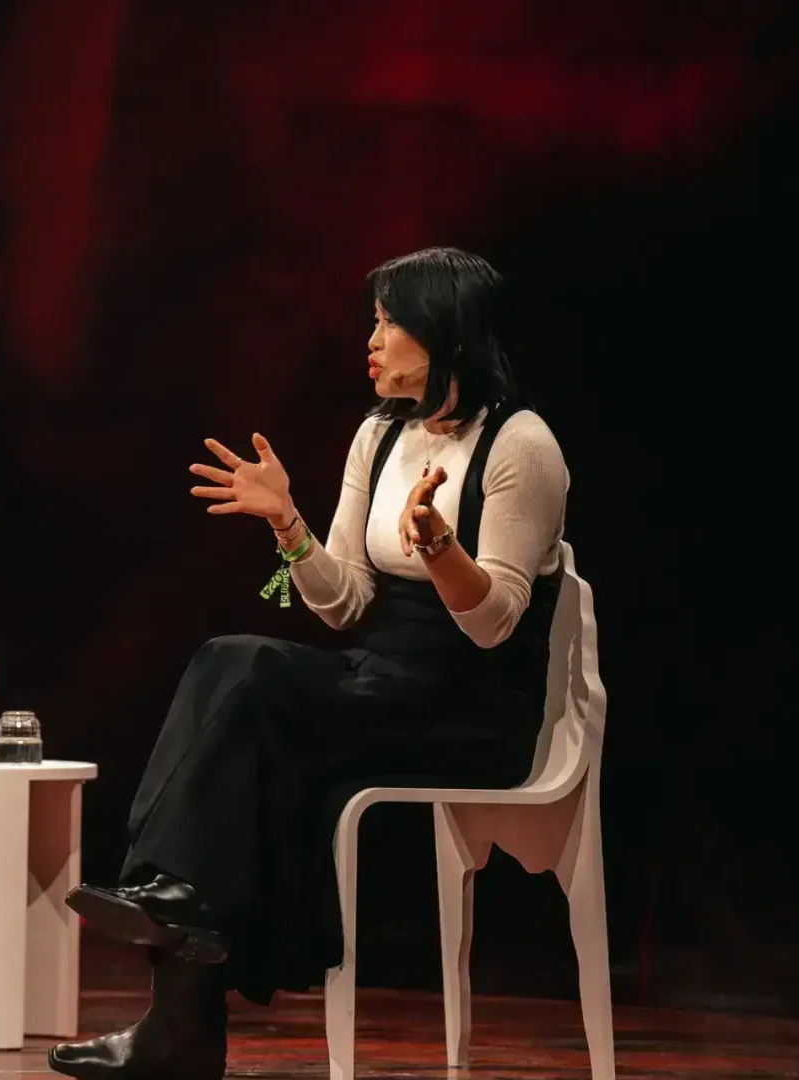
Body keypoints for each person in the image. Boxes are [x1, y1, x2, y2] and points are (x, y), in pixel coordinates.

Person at [49, 247, 569, 1080]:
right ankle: (177, 968)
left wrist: (439, 546)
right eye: (375, 321)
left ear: (446, 332)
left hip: (472, 709)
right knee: (236, 695)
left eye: (391, 322)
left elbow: (495, 625)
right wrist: (288, 524)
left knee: (247, 675)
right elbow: (345, 601)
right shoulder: (381, 434)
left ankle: (171, 927)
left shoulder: (522, 445)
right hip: (385, 681)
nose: (372, 340)